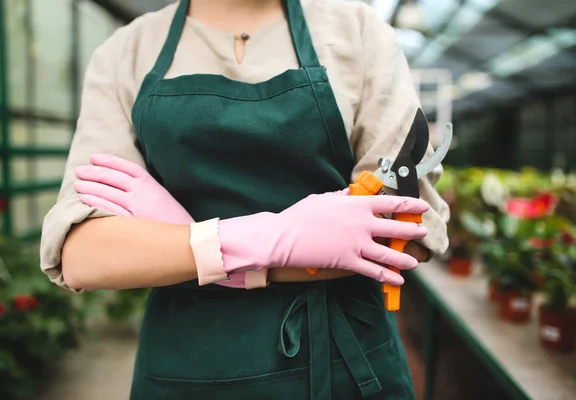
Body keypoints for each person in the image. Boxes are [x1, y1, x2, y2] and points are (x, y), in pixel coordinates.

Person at [40, 0, 450, 398]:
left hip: (344, 365)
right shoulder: (126, 52)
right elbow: (84, 254)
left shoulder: (357, 33)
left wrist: (186, 240)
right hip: (187, 368)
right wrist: (273, 238)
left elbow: (403, 232)